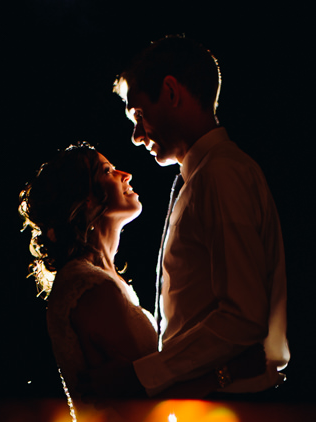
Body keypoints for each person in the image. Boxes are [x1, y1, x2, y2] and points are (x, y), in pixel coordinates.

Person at [113, 35, 287, 398]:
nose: (135, 135)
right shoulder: (207, 175)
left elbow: (243, 316)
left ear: (172, 92)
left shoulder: (219, 175)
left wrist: (144, 375)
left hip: (230, 415)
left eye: (139, 115)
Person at [18, 143, 246, 402]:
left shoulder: (107, 281)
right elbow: (148, 396)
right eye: (107, 171)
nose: (125, 174)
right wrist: (230, 372)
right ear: (85, 198)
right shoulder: (89, 287)